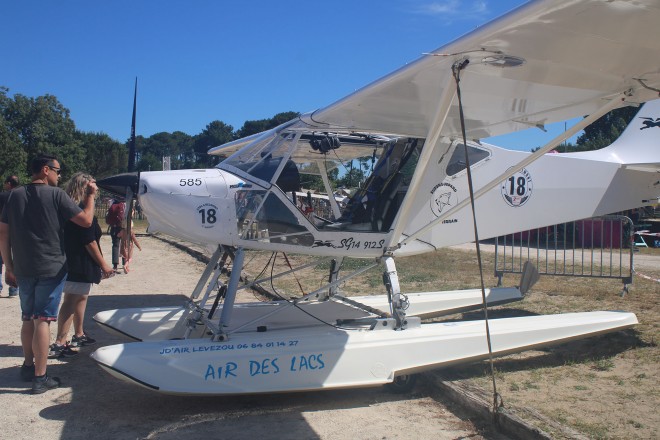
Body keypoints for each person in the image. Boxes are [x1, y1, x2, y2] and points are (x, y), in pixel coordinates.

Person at [0, 155, 96, 394]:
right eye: (57, 170)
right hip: (51, 267)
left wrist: (9, 266)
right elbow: (85, 221)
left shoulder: (12, 196)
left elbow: (3, 234)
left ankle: (28, 365)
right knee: (43, 319)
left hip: (23, 267)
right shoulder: (56, 195)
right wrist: (91, 196)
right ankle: (40, 377)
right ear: (45, 170)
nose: (59, 175)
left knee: (27, 317)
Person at [50, 173, 114, 358]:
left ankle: (78, 334)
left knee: (80, 298)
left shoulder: (70, 207)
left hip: (75, 261)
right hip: (79, 262)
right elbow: (89, 241)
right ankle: (60, 343)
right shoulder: (83, 210)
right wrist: (104, 265)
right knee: (71, 301)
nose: (97, 187)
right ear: (86, 188)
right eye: (93, 185)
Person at [0, 175, 20, 297]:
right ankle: (14, 288)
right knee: (16, 259)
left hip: (3, 229)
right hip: (18, 231)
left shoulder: (2, 196)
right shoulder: (21, 195)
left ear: (8, 183)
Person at [107, 199, 125, 271]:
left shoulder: (112, 206)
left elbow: (108, 219)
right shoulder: (123, 205)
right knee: (124, 245)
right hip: (123, 227)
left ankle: (115, 265)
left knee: (115, 245)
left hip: (114, 227)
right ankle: (125, 263)